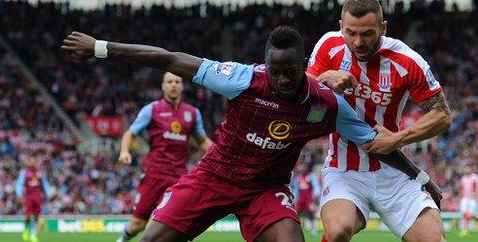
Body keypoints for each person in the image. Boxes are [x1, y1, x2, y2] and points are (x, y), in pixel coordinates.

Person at [61, 25, 439, 242]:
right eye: (276, 70)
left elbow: (378, 143)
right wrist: (101, 48)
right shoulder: (242, 79)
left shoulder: (326, 104)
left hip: (265, 190)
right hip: (213, 177)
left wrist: (422, 178)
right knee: (152, 241)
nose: (284, 78)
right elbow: (169, 58)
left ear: (303, 65)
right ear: (266, 64)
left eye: (291, 70)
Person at [306, 0, 452, 242]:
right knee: (337, 231)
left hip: (392, 170)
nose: (358, 42)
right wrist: (323, 80)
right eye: (350, 33)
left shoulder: (407, 60)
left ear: (383, 29)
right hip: (344, 170)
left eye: (367, 34)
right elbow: (301, 102)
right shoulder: (328, 46)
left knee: (433, 240)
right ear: (341, 25)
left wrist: (398, 138)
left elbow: (442, 115)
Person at [116, 72, 213, 242]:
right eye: (170, 81)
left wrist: (223, 156)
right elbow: (130, 133)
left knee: (165, 224)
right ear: (163, 86)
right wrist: (124, 151)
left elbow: (203, 140)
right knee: (138, 224)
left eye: (177, 81)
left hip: (178, 178)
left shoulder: (192, 113)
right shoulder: (152, 109)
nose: (174, 85)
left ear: (182, 86)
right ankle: (122, 239)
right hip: (154, 175)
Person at [15, 153, 53, 242]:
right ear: (29, 162)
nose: (32, 163)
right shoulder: (24, 172)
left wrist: (49, 193)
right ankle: (26, 230)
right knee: (28, 215)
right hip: (28, 196)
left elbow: (45, 184)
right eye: (31, 161)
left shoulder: (40, 172)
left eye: (34, 161)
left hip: (38, 196)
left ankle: (33, 235)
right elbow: (19, 184)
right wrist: (19, 195)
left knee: (37, 216)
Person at [291, 154, 321, 236]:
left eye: (305, 166)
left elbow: (316, 187)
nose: (303, 168)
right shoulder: (298, 177)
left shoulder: (311, 176)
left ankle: (313, 228)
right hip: (300, 198)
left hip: (309, 198)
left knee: (310, 213)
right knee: (296, 213)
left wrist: (316, 195)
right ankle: (296, 229)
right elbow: (296, 188)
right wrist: (295, 198)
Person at [458, 164, 478, 237]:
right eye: (466, 168)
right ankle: (465, 230)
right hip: (464, 199)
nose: (467, 170)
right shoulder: (463, 178)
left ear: (471, 169)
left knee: (473, 215)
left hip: (472, 199)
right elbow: (461, 188)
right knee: (464, 214)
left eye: (468, 168)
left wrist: (476, 195)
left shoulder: (475, 177)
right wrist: (460, 197)